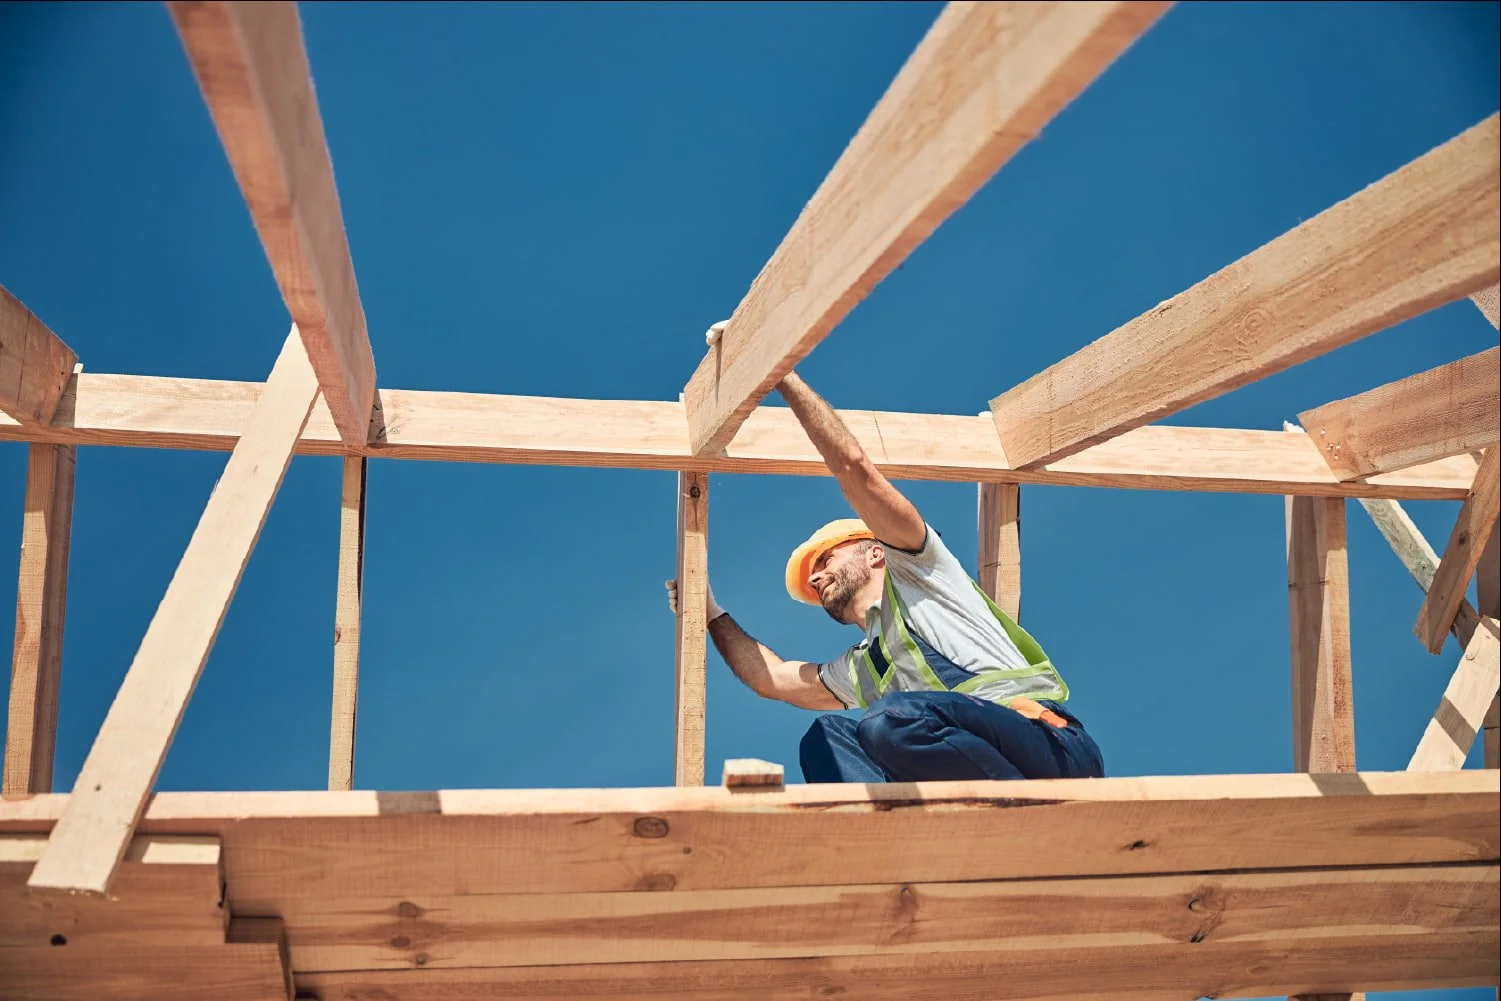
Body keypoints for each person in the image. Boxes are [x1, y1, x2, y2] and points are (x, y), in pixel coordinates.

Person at [668, 371, 1104, 784]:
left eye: (825, 560)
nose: (817, 579)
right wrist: (710, 613)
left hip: (1046, 749)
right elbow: (772, 679)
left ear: (876, 552)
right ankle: (909, 844)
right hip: (963, 761)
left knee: (888, 720)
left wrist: (783, 377)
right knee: (827, 738)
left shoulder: (920, 572)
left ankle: (1016, 816)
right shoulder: (867, 666)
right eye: (812, 578)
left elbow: (856, 469)